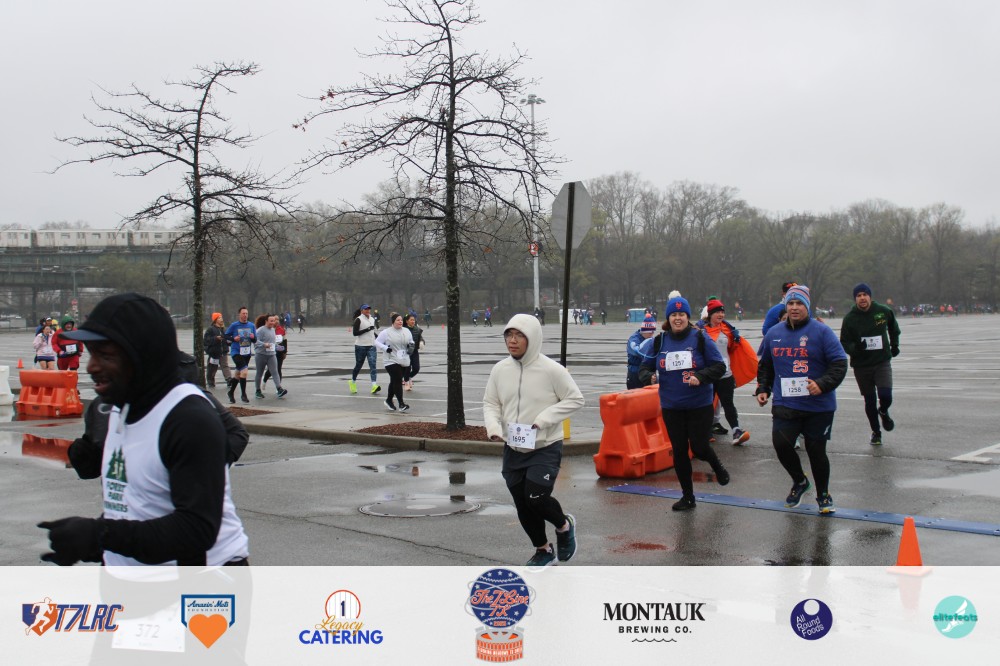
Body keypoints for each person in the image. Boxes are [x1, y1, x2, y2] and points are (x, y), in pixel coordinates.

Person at [37, 292, 250, 566]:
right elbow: (134, 505)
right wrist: (92, 547)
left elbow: (196, 530)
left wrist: (100, 535)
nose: (91, 366)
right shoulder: (120, 407)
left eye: (105, 355)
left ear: (142, 357)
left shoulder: (188, 418)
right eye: (92, 353)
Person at [483, 313, 584, 568]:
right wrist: (494, 427)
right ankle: (543, 550)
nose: (512, 341)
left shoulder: (551, 370)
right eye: (509, 335)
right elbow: (491, 403)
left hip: (545, 446)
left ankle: (564, 525)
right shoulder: (500, 370)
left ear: (533, 338)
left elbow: (575, 399)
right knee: (523, 504)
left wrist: (544, 418)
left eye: (519, 335)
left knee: (536, 498)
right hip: (513, 447)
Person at [755, 285, 848, 514]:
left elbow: (839, 363)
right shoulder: (774, 333)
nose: (794, 308)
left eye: (799, 303)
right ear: (785, 306)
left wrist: (822, 384)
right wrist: (763, 388)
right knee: (781, 444)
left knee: (816, 451)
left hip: (818, 405)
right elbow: (765, 365)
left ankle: (823, 494)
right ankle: (799, 481)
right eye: (791, 303)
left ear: (807, 306)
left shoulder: (822, 332)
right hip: (786, 402)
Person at [639, 296, 730, 511]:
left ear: (688, 317)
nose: (678, 318)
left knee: (699, 448)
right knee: (679, 451)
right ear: (668, 318)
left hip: (699, 405)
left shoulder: (700, 338)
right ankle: (688, 497)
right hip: (672, 406)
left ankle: (717, 466)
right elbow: (644, 368)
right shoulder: (660, 341)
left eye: (682, 314)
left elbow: (719, 366)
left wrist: (701, 376)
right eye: (674, 315)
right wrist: (649, 377)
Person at [839, 282, 900, 447]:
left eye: (865, 294)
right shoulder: (850, 318)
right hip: (862, 365)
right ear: (855, 299)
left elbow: (894, 328)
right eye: (858, 296)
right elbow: (844, 342)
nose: (862, 298)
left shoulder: (882, 311)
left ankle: (883, 411)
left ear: (870, 296)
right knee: (870, 400)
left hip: (881, 361)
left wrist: (894, 345)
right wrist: (855, 348)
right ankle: (876, 432)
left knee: (885, 395)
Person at [697, 299, 750, 445]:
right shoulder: (701, 331)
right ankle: (706, 432)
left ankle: (736, 431)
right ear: (710, 314)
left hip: (725, 375)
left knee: (728, 404)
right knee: (707, 404)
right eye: (717, 312)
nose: (721, 315)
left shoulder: (728, 330)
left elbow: (732, 348)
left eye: (722, 312)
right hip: (709, 375)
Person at [374, 312, 413, 412]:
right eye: (398, 320)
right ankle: (401, 404)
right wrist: (385, 348)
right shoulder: (386, 332)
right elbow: (376, 342)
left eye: (401, 320)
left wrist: (411, 346)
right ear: (393, 322)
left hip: (403, 359)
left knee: (394, 381)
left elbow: (411, 341)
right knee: (398, 380)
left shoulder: (406, 331)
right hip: (390, 360)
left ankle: (388, 400)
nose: (400, 322)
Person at [224, 307, 256, 404]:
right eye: (243, 313)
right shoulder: (234, 325)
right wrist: (234, 339)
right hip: (236, 352)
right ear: (239, 315)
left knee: (238, 374)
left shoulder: (251, 325)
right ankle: (243, 394)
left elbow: (255, 340)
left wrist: (253, 337)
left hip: (246, 353)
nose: (245, 315)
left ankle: (230, 393)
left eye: (246, 313)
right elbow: (225, 336)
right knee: (244, 371)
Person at [254, 314, 288, 399]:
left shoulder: (272, 330)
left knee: (275, 371)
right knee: (259, 373)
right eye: (271, 321)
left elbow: (273, 342)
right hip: (261, 355)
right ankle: (258, 391)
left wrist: (279, 347)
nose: (273, 323)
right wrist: (264, 344)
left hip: (271, 355)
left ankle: (279, 389)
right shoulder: (260, 330)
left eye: (274, 321)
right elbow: (255, 341)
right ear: (266, 321)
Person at [350, 304, 381, 395]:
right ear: (362, 310)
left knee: (373, 366)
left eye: (369, 309)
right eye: (366, 309)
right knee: (359, 365)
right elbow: (355, 333)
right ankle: (353, 381)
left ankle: (374, 385)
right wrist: (366, 329)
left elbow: (371, 331)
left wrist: (378, 337)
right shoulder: (358, 319)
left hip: (371, 346)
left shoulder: (372, 319)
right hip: (361, 346)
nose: (368, 310)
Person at [626, 316, 657, 389]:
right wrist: (648, 342)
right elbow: (638, 351)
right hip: (635, 374)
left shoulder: (650, 339)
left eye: (653, 332)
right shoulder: (633, 340)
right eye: (650, 333)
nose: (652, 335)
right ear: (644, 331)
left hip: (647, 374)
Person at [203, 312, 232, 389]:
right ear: (215, 320)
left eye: (221, 317)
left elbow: (227, 339)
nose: (221, 319)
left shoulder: (224, 329)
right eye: (219, 318)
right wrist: (216, 338)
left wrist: (230, 341)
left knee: (225, 366)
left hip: (223, 352)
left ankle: (229, 379)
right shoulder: (210, 329)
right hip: (214, 353)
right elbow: (206, 340)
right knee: (212, 368)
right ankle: (210, 382)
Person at [263, 317, 288, 388]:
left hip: (280, 352)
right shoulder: (268, 330)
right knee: (271, 370)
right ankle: (264, 380)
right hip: (270, 352)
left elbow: (285, 342)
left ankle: (278, 388)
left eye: (277, 320)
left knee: (278, 369)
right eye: (275, 320)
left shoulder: (282, 330)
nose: (276, 321)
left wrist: (285, 352)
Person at [402, 313, 424, 391]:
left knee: (416, 368)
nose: (413, 321)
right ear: (407, 321)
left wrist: (421, 342)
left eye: (414, 320)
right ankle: (406, 383)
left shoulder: (417, 329)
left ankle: (408, 377)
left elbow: (421, 338)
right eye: (411, 320)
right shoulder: (403, 329)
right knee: (407, 368)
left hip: (414, 351)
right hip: (406, 351)